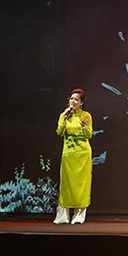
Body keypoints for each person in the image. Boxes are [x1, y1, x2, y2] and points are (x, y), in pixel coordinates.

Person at [53, 88, 93, 225]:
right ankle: (63, 216)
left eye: (76, 99)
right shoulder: (64, 115)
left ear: (81, 103)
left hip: (83, 153)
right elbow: (59, 132)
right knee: (66, 185)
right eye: (71, 99)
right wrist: (64, 118)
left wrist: (83, 127)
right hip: (68, 153)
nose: (73, 101)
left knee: (82, 184)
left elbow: (89, 134)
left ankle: (79, 216)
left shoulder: (86, 116)